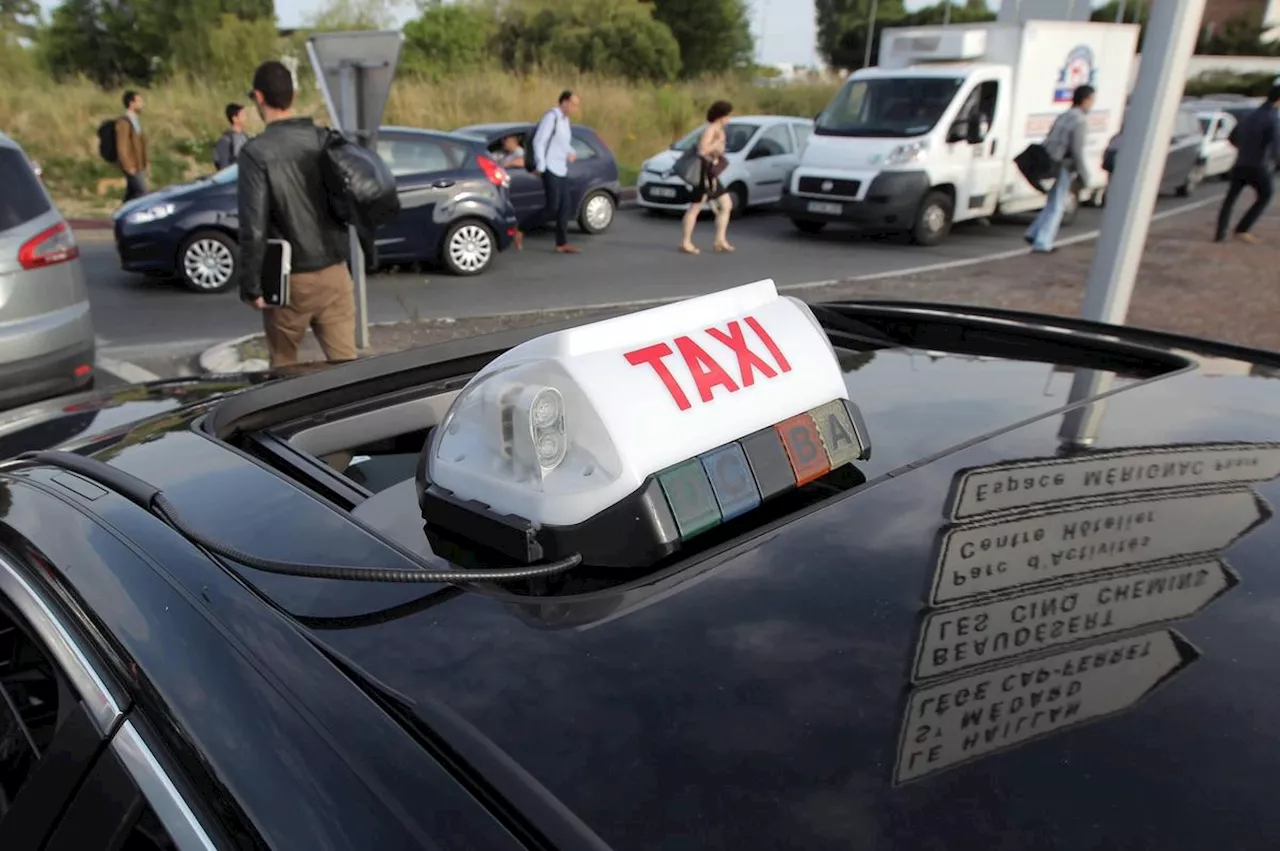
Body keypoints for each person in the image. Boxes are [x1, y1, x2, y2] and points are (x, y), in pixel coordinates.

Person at [237, 60, 357, 370]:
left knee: (284, 369)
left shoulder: (256, 152)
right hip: (335, 272)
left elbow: (254, 226)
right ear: (292, 95)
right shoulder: (323, 139)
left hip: (290, 280)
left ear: (259, 98)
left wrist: (251, 286)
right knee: (348, 370)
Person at [1024, 84, 1096, 255]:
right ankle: (1042, 242)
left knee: (1053, 201)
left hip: (1051, 161)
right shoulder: (1080, 121)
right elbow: (1077, 150)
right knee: (1058, 204)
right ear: (1085, 100)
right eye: (1092, 100)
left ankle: (1034, 232)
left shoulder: (1064, 116)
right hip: (1064, 165)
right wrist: (1085, 176)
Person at [1214, 85, 1280, 245]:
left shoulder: (1248, 115)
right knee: (1266, 194)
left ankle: (1220, 233)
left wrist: (1244, 148)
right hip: (1258, 164)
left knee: (1230, 198)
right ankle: (1242, 229)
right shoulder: (1272, 118)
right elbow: (1276, 145)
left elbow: (1232, 137)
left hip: (1240, 162)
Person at [679, 100, 736, 256]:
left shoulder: (719, 130)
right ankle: (686, 241)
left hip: (712, 174)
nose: (729, 119)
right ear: (720, 116)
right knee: (695, 207)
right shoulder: (710, 130)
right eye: (727, 116)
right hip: (704, 174)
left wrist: (719, 152)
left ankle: (720, 240)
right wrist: (716, 143)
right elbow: (702, 150)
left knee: (726, 204)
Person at [531, 91, 581, 254]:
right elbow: (539, 141)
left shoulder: (565, 121)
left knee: (565, 207)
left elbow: (564, 143)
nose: (575, 108)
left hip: (561, 168)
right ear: (564, 103)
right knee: (552, 207)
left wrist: (571, 151)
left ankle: (562, 243)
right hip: (549, 168)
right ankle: (521, 228)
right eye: (573, 104)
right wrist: (541, 165)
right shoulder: (551, 117)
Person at [115, 91, 148, 202]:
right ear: (131, 103)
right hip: (132, 165)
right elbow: (122, 146)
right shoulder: (123, 122)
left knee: (132, 193)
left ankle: (122, 214)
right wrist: (128, 166)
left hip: (139, 164)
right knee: (142, 192)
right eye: (139, 101)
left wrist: (145, 163)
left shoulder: (135, 120)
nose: (142, 104)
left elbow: (140, 144)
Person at [496, 135, 525, 249]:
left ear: (514, 141)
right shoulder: (503, 153)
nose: (504, 142)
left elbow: (521, 162)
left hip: (515, 184)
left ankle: (516, 234)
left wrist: (504, 165)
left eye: (506, 140)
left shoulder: (519, 153)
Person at [214, 103, 249, 171]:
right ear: (235, 119)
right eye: (242, 115)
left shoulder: (245, 137)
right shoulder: (225, 140)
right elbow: (224, 167)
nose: (245, 117)